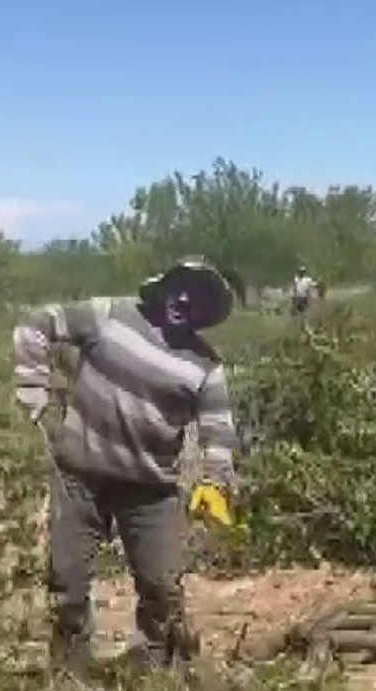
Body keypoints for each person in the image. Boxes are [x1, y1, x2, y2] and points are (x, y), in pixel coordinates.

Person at [12, 256, 242, 670]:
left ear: (207, 311)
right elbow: (38, 322)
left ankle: (154, 678)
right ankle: (71, 676)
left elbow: (219, 431)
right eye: (180, 287)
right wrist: (35, 394)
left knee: (162, 591)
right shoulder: (111, 316)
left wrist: (215, 480)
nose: (185, 299)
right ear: (164, 286)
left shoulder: (206, 366)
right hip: (79, 477)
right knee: (67, 585)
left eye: (199, 296)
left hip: (149, 491)